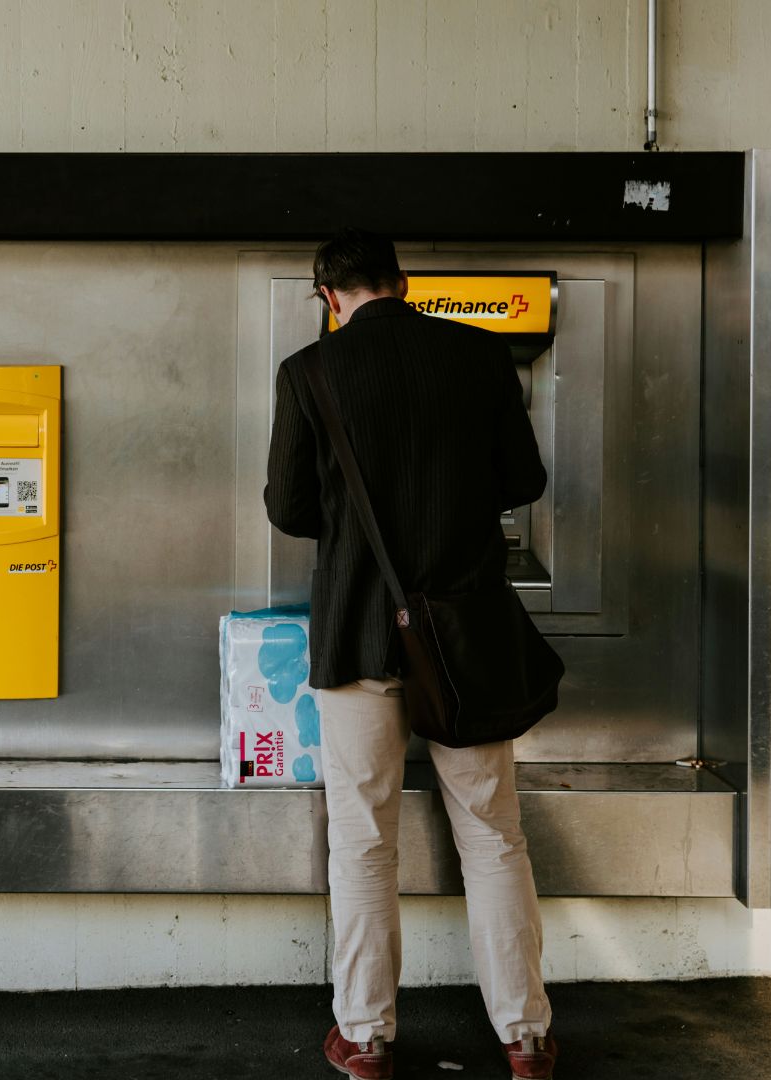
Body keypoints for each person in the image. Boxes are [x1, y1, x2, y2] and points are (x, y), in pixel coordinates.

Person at [263, 228, 558, 1080]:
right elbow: (526, 481)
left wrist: (357, 529)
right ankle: (526, 1038)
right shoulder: (476, 353)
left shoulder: (308, 372)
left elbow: (288, 508)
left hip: (357, 631)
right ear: (401, 282)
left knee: (362, 840)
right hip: (462, 634)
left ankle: (365, 1038)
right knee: (494, 834)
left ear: (330, 296)